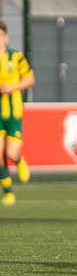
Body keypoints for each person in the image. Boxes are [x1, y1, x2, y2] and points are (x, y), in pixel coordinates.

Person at [0, 21, 35, 206]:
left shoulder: (16, 57)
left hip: (13, 114)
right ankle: (9, 193)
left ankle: (19, 161)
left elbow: (30, 79)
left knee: (11, 153)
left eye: (0, 35)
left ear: (6, 37)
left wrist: (12, 87)